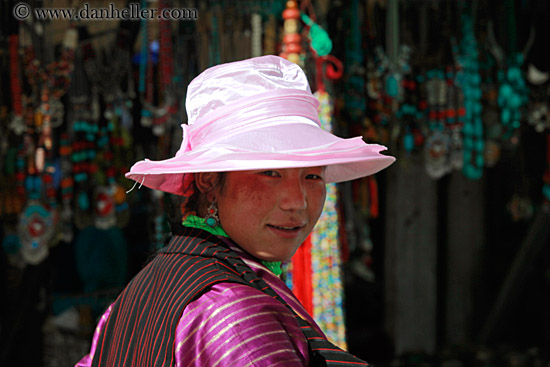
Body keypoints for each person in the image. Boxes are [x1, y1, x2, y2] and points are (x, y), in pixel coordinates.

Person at [76, 55, 395, 367]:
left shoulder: (141, 293)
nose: (297, 201)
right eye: (271, 174)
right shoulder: (236, 315)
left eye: (313, 176)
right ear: (209, 181)